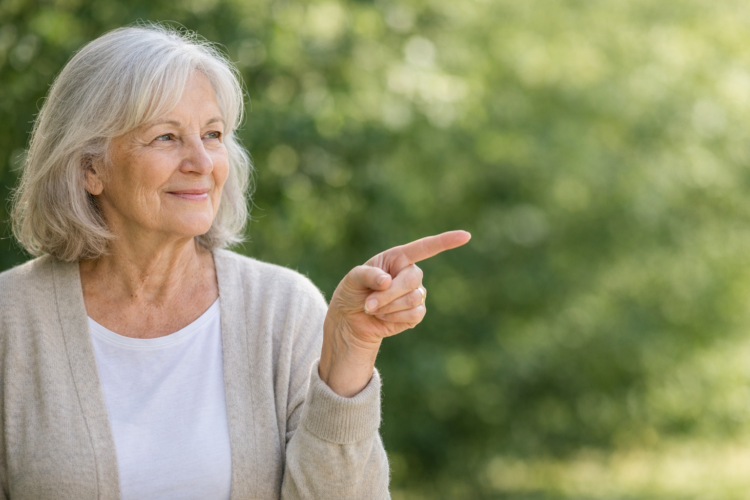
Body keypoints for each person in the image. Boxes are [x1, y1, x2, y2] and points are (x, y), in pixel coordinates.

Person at [0, 24, 470, 500]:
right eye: (166, 137)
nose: (202, 161)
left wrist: (350, 352)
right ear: (90, 168)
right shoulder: (10, 319)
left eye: (212, 134)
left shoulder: (282, 310)